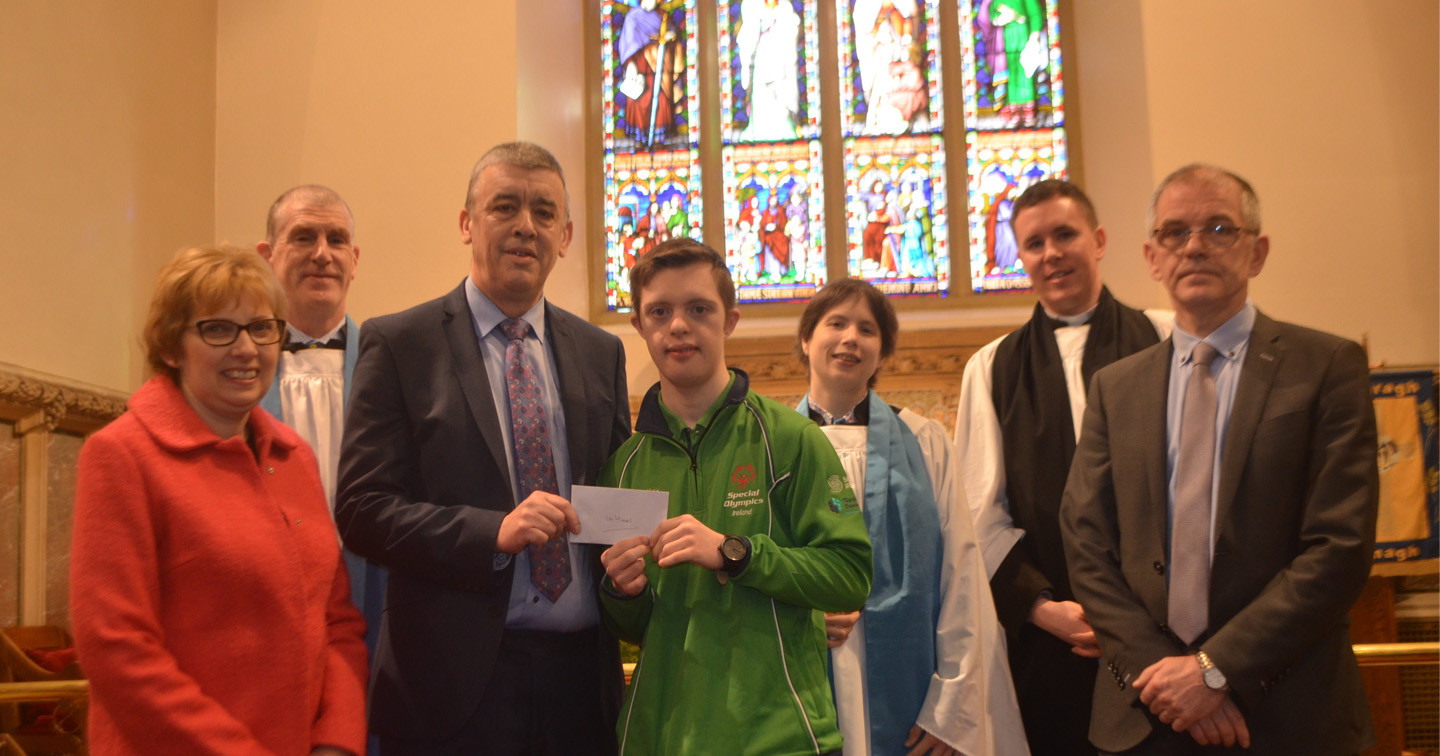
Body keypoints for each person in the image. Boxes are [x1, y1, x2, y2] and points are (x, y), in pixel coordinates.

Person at [1061, 164, 1378, 755]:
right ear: (1152, 258)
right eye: (1175, 232)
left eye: (1218, 228)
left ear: (1257, 253)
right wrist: (1166, 676)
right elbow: (1086, 542)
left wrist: (1214, 670)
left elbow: (1340, 546)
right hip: (1145, 715)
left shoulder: (1325, 367)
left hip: (1286, 711)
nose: (1195, 246)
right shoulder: (1116, 387)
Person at [334, 142, 631, 755]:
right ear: (467, 224)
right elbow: (362, 510)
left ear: (566, 235)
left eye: (544, 213)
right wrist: (491, 532)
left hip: (580, 688)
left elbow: (614, 498)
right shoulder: (400, 343)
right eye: (505, 207)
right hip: (450, 688)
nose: (526, 226)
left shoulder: (601, 354)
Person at [70, 245, 368, 756]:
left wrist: (336, 740)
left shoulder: (293, 456)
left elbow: (336, 619)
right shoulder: (121, 455)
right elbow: (117, 649)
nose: (246, 348)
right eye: (218, 329)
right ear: (170, 347)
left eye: (261, 327)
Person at [598, 239, 872, 756]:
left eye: (698, 309)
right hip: (660, 739)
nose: (678, 326)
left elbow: (850, 578)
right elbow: (633, 629)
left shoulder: (791, 438)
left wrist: (736, 552)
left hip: (779, 737)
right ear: (639, 326)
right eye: (659, 311)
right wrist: (623, 592)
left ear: (729, 320)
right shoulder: (623, 466)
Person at [954, 179, 1171, 755]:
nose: (1051, 253)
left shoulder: (1165, 336)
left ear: (1098, 240)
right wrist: (1043, 608)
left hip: (1166, 631)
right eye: (1033, 243)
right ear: (1019, 257)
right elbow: (980, 513)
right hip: (1054, 640)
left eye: (1065, 235)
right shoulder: (992, 366)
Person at [795, 279, 1028, 756]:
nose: (850, 338)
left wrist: (952, 707)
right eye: (835, 323)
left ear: (882, 353)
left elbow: (960, 574)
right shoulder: (774, 446)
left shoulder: (924, 440)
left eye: (867, 329)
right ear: (806, 339)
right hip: (803, 687)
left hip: (915, 695)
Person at [256, 185, 387, 667]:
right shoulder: (236, 377)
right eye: (303, 237)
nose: (322, 254)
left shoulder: (394, 366)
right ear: (267, 256)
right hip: (268, 601)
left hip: (373, 596)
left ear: (354, 259)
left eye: (336, 240)